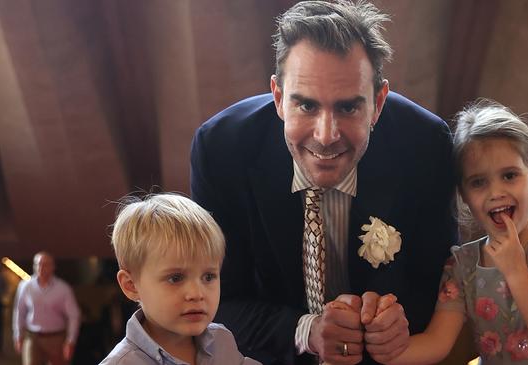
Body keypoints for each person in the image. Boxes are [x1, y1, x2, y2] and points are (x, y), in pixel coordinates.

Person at [190, 1, 457, 364]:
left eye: (348, 107)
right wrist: (307, 331)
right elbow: (213, 302)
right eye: (306, 106)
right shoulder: (222, 149)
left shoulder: (425, 145)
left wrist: (395, 319)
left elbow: (438, 282)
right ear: (279, 98)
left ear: (378, 103)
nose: (326, 135)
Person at [386, 99, 528, 364]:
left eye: (509, 175)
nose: (496, 193)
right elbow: (436, 343)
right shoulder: (462, 265)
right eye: (478, 182)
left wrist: (515, 270)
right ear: (463, 194)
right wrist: (369, 356)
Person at [100, 193, 261, 365]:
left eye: (208, 277)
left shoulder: (221, 340)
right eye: (175, 278)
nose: (197, 293)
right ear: (131, 285)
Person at [12, 252, 81, 365]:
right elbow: (19, 312)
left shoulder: (63, 289)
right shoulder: (25, 286)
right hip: (32, 336)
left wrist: (70, 341)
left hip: (56, 337)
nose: (41, 267)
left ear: (53, 267)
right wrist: (18, 335)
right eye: (38, 264)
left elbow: (74, 315)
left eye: (45, 264)